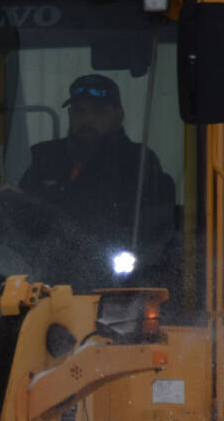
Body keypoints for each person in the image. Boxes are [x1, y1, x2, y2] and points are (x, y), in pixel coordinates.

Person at [13, 73, 175, 284]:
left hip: (111, 284)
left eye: (99, 112)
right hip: (40, 280)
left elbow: (155, 234)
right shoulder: (44, 157)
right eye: (80, 111)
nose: (87, 119)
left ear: (118, 115)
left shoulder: (139, 163)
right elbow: (22, 221)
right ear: (70, 114)